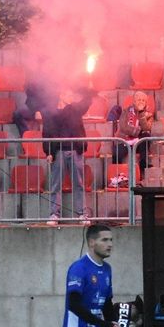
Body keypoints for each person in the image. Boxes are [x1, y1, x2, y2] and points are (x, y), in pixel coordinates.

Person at [43, 89, 91, 225]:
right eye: (69, 94)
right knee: (55, 184)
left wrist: (89, 86)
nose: (72, 97)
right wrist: (49, 152)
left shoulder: (75, 109)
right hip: (58, 151)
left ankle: (82, 214)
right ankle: (54, 214)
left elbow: (86, 102)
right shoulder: (51, 112)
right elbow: (46, 133)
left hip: (75, 149)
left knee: (79, 183)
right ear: (61, 95)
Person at [109, 91, 154, 173]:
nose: (141, 102)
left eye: (143, 100)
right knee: (116, 153)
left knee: (146, 135)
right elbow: (123, 127)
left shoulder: (149, 115)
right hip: (125, 141)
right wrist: (137, 132)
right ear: (134, 101)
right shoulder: (126, 111)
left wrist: (141, 113)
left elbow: (146, 127)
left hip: (139, 143)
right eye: (139, 100)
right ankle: (116, 175)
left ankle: (143, 167)